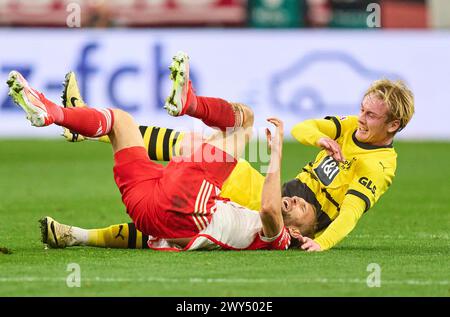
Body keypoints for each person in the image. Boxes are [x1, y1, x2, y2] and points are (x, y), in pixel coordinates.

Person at [43, 64, 415, 251]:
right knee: (187, 160)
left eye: (370, 116)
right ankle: (77, 225)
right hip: (277, 191)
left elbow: (350, 212)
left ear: (393, 124)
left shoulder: (379, 167)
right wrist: (320, 138)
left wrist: (322, 243)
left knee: (194, 152)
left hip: (285, 212)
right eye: (363, 110)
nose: (360, 118)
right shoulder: (352, 127)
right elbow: (303, 128)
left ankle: (86, 129)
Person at [7, 52, 317, 251]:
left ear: (297, 234)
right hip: (151, 215)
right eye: (300, 200)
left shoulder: (277, 237)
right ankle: (53, 113)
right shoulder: (245, 222)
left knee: (244, 121)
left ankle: (190, 104)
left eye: (302, 210)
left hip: (187, 208)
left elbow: (269, 209)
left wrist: (275, 153)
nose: (295, 200)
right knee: (121, 122)